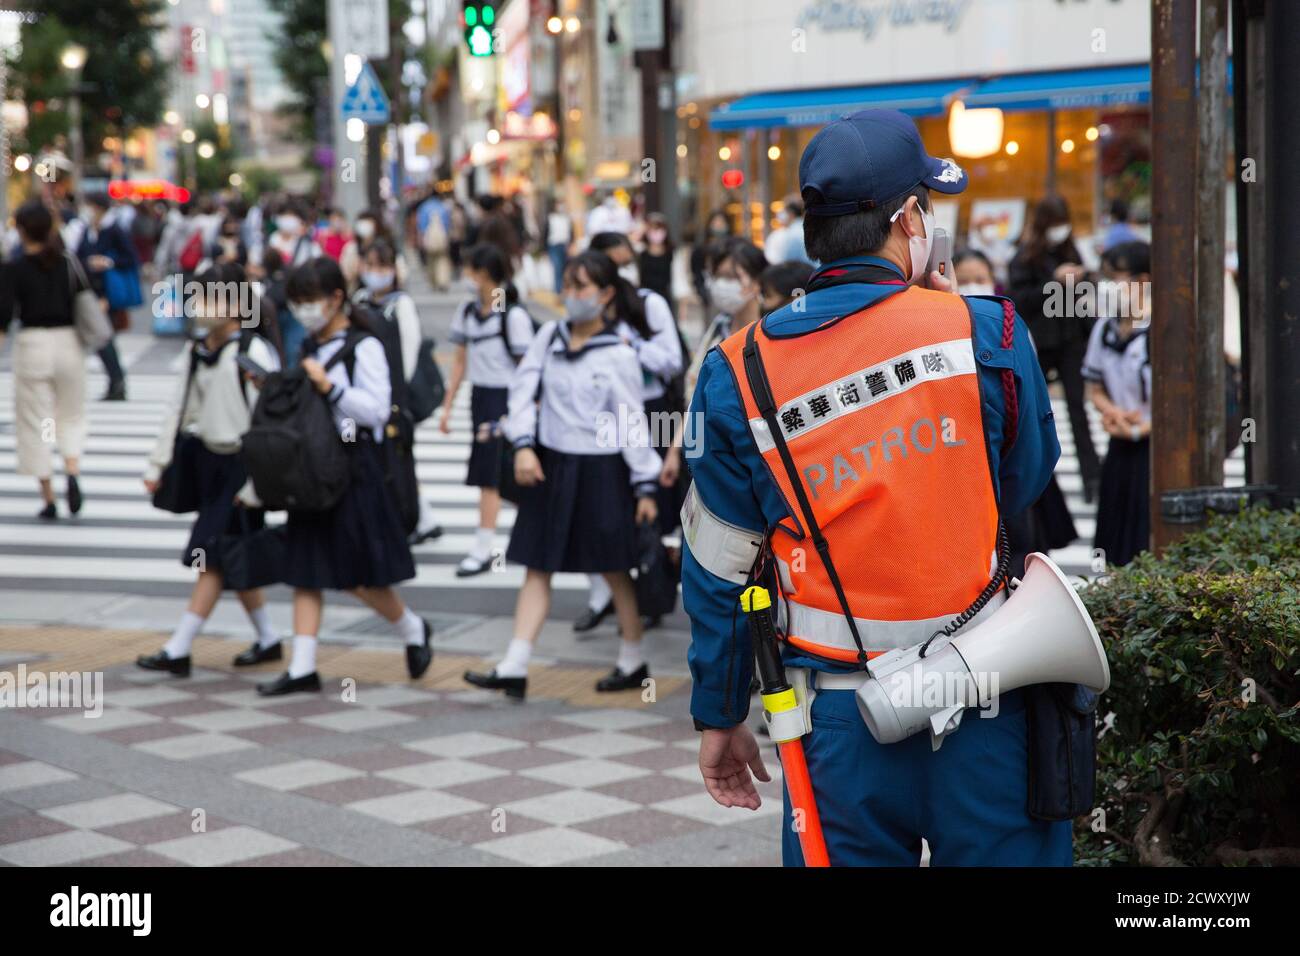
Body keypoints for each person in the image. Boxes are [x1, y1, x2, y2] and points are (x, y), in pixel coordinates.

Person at [682, 109, 1065, 866]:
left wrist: (718, 713)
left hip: (835, 720)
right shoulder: (987, 331)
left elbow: (721, 565)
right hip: (988, 695)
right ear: (908, 221)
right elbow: (1024, 482)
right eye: (926, 204)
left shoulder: (736, 368)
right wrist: (952, 311)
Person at [463, 251, 661, 700]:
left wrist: (644, 484)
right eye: (567, 286)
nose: (571, 296)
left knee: (613, 569)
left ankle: (633, 658)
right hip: (550, 466)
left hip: (602, 469)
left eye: (582, 287)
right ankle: (514, 664)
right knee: (537, 565)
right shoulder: (549, 335)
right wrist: (523, 445)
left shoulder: (618, 353)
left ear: (607, 294)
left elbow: (632, 423)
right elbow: (521, 389)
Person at [259, 257, 432, 697]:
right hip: (314, 466)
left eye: (310, 301)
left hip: (356, 467)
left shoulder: (364, 346)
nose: (303, 311)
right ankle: (302, 667)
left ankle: (412, 628)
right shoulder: (310, 346)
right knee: (305, 569)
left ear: (337, 298)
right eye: (297, 303)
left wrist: (329, 388)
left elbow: (376, 410)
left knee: (359, 575)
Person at [135, 263, 286, 675]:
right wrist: (158, 462)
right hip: (209, 463)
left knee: (210, 556)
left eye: (209, 298)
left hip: (242, 469)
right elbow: (177, 408)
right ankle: (269, 639)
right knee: (231, 555)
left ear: (235, 304)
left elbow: (269, 426)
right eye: (197, 297)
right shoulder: (198, 350)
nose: (199, 307)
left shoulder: (252, 353)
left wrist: (256, 485)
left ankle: (178, 648)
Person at [438, 243, 537, 576]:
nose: (466, 277)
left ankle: (484, 549)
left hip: (507, 400)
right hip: (481, 398)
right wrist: (447, 407)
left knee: (493, 477)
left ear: (484, 275)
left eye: (470, 271)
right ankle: (501, 543)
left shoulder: (512, 314)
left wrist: (526, 409)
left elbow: (529, 369)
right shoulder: (467, 313)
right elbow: (459, 363)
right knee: (492, 476)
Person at [1008, 194, 1101, 502]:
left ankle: (1092, 479)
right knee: (1031, 410)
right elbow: (1020, 300)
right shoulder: (1025, 256)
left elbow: (1087, 294)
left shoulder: (1072, 249)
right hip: (1040, 342)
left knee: (1078, 408)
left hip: (1071, 339)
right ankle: (1035, 482)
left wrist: (1082, 279)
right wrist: (1055, 280)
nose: (1060, 230)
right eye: (1055, 223)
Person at [0, 200, 88, 519]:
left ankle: (49, 497)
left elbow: (4, 317)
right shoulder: (67, 262)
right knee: (70, 415)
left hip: (33, 343)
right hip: (68, 343)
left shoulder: (14, 266)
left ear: (21, 230)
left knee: (36, 421)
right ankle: (73, 469)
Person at [353, 239, 443, 546]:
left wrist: (394, 394)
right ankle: (421, 518)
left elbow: (409, 349)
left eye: (382, 267)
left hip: (394, 396)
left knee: (398, 457)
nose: (375, 273)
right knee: (386, 459)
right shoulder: (360, 299)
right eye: (370, 266)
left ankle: (414, 519)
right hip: (368, 392)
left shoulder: (401, 304)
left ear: (393, 270)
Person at [1083, 240, 1152, 567]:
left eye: (1116, 277)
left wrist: (1143, 427)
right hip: (1120, 444)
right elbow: (1094, 387)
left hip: (1155, 450)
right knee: (1115, 534)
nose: (1108, 287)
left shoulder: (1161, 331)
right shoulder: (1104, 329)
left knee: (1145, 534)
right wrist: (1113, 413)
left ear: (1144, 280)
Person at [76, 193, 136, 401]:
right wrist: (88, 262)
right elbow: (78, 256)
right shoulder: (87, 229)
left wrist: (108, 262)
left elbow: (130, 258)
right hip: (89, 290)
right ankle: (116, 382)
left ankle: (117, 382)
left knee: (104, 338)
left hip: (107, 292)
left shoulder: (114, 229)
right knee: (101, 339)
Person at [690, 210, 732, 313]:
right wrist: (702, 292)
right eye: (715, 222)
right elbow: (696, 273)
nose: (718, 225)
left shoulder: (732, 247)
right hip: (710, 294)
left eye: (722, 222)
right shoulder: (700, 249)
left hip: (730, 293)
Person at [637, 212, 675, 307]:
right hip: (645, 297)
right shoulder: (640, 253)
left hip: (665, 297)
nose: (656, 232)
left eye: (659, 228)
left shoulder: (672, 253)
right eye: (652, 229)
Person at [544, 198, 573, 294]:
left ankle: (565, 290)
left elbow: (571, 233)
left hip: (565, 246)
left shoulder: (567, 218)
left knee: (565, 269)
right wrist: (544, 250)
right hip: (554, 246)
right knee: (558, 268)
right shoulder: (550, 218)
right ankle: (558, 291)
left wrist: (571, 245)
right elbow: (545, 234)